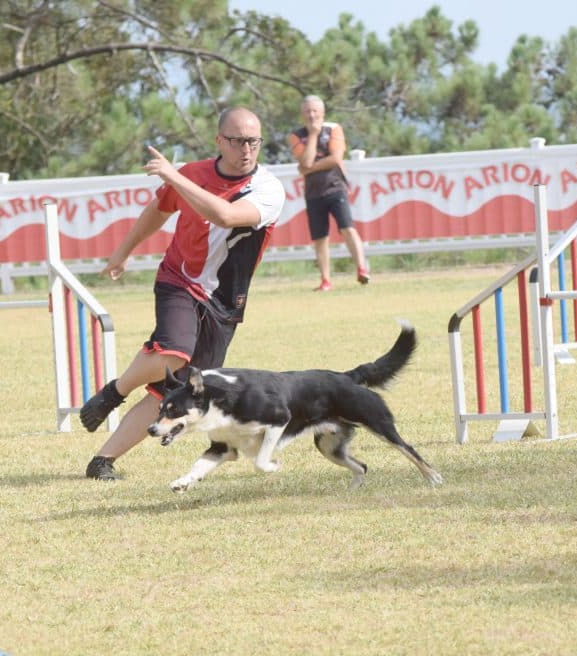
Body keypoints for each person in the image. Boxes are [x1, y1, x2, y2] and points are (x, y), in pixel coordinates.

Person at [81, 106, 286, 481]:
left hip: (224, 304)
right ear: (219, 141)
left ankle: (102, 461)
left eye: (254, 141)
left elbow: (225, 215)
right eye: (237, 140)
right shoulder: (193, 174)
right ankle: (114, 391)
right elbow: (158, 211)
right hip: (179, 280)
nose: (246, 149)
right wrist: (123, 251)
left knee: (172, 391)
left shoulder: (269, 188)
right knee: (174, 351)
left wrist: (175, 178)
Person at [288, 95, 370, 292]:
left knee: (347, 228)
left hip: (336, 186)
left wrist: (308, 169)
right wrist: (314, 136)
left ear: (322, 112)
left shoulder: (334, 129)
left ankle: (361, 268)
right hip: (313, 192)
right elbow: (304, 161)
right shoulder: (296, 136)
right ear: (302, 114)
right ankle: (326, 280)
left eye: (315, 110)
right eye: (307, 111)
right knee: (320, 237)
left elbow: (335, 158)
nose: (312, 115)